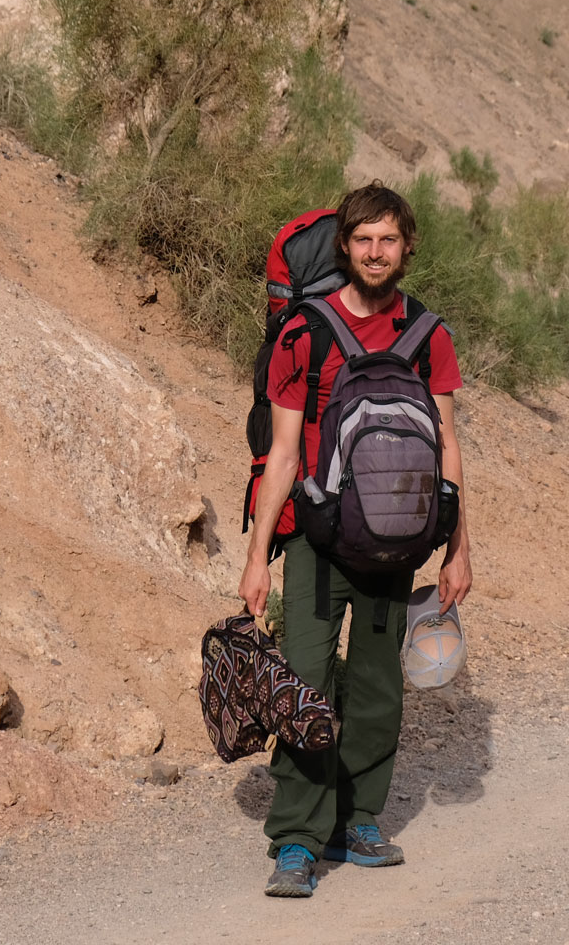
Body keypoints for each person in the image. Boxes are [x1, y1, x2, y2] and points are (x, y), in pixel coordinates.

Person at [239, 181, 473, 898]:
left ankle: (360, 816)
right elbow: (281, 454)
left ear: (408, 249)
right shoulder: (302, 332)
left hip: (397, 538)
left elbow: (447, 445)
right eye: (363, 240)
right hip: (315, 537)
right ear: (345, 247)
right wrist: (256, 558)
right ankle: (297, 840)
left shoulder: (428, 335)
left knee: (376, 688)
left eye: (389, 240)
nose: (376, 252)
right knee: (306, 681)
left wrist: (461, 548)